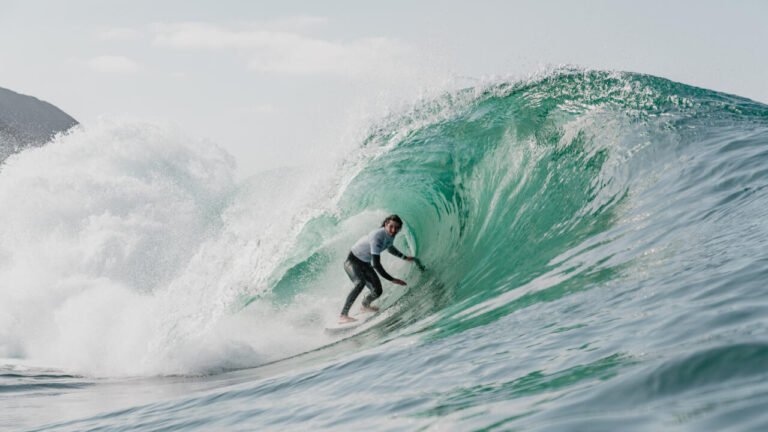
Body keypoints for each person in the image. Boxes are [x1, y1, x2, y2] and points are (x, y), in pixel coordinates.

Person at [339, 214, 417, 323]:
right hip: (352, 261)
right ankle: (343, 315)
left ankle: (365, 306)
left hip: (365, 263)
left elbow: (389, 247)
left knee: (377, 291)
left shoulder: (390, 235)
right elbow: (376, 264)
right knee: (360, 283)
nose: (394, 230)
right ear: (385, 224)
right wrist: (392, 279)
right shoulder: (377, 236)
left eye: (397, 228)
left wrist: (404, 257)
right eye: (391, 226)